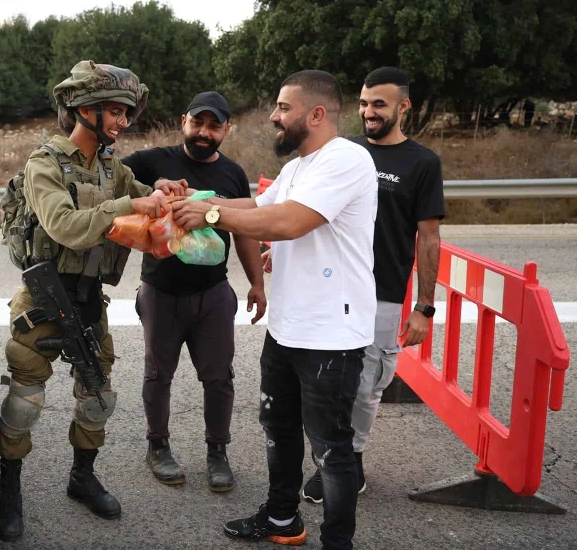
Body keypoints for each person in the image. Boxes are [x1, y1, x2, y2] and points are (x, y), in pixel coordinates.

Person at [170, 70, 378, 550]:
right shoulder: (298, 167)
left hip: (331, 334)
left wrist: (213, 215)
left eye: (284, 107)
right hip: (288, 327)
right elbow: (260, 204)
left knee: (330, 449)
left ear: (317, 114)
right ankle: (283, 519)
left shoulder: (346, 159)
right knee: (278, 426)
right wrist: (199, 199)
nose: (273, 115)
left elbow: (287, 221)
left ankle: (338, 542)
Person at [0, 60, 173, 542]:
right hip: (42, 299)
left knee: (97, 399)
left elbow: (146, 197)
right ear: (82, 109)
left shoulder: (114, 167)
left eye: (126, 112)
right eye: (115, 111)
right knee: (25, 403)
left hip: (90, 302)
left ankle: (82, 478)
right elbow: (65, 226)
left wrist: (165, 193)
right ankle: (9, 489)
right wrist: (128, 206)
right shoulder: (44, 164)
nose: (123, 122)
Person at [295, 66, 444, 505]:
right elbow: (312, 209)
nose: (369, 112)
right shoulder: (343, 150)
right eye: (363, 103)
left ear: (403, 106)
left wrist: (424, 306)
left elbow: (429, 237)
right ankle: (329, 457)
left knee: (368, 383)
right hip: (331, 286)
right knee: (328, 382)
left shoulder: (422, 163)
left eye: (379, 103)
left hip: (382, 293)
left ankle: (349, 458)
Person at [120, 91, 267, 492]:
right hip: (160, 291)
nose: (204, 132)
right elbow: (107, 174)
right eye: (197, 123)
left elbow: (244, 231)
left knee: (219, 378)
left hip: (213, 294)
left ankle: (218, 454)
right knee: (157, 374)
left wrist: (256, 282)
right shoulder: (152, 162)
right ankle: (158, 448)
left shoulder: (233, 174)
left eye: (214, 125)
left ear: (226, 129)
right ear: (183, 120)